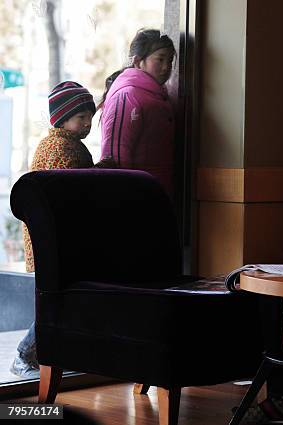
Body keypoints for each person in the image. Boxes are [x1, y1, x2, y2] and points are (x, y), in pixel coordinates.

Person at [10, 81, 115, 379]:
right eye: (81, 118)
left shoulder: (70, 144)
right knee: (54, 297)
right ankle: (24, 354)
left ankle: (53, 354)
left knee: (62, 296)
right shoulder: (58, 147)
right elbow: (69, 186)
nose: (87, 124)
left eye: (90, 118)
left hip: (60, 236)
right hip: (51, 238)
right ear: (62, 118)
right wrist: (100, 172)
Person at [99, 28, 176, 198]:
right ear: (137, 61)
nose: (166, 67)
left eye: (170, 60)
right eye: (160, 59)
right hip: (136, 197)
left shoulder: (160, 96)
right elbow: (116, 156)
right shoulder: (128, 95)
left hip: (157, 194)